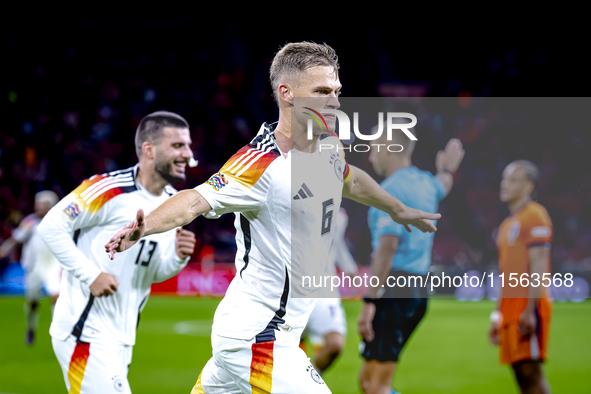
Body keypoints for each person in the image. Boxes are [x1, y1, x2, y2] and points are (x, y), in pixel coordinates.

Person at [105, 41, 441, 394]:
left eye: (337, 92)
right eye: (322, 91)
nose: (335, 102)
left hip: (272, 332)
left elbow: (351, 179)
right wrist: (144, 228)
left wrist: (396, 207)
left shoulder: (328, 148)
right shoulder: (260, 163)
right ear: (288, 94)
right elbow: (194, 201)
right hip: (256, 335)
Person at [37, 111, 197, 394]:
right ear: (149, 149)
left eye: (188, 145)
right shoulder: (109, 189)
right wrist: (91, 275)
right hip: (84, 331)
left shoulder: (173, 204)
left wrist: (177, 258)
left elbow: (152, 271)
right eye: (177, 146)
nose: (188, 154)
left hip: (122, 338)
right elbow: (51, 226)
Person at [358, 128, 464, 394]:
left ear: (388, 148)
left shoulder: (389, 190)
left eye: (373, 148)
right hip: (416, 290)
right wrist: (447, 170)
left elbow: (387, 248)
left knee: (376, 386)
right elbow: (444, 185)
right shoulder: (426, 182)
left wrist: (370, 301)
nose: (370, 157)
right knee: (368, 382)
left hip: (395, 288)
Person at [488, 160, 553, 394]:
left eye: (513, 180)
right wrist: (497, 314)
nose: (505, 185)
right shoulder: (506, 225)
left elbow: (538, 267)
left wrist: (529, 310)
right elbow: (505, 274)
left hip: (528, 307)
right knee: (520, 375)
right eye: (504, 179)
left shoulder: (535, 216)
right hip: (509, 308)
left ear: (528, 186)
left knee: (531, 374)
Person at [301, 207, 358, 374]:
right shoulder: (288, 201)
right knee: (289, 349)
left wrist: (349, 267)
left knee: (335, 345)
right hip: (292, 292)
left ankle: (312, 379)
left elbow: (336, 242)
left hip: (325, 290)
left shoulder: (339, 215)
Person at [0, 190, 61, 345]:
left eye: (43, 205)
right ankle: (31, 327)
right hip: (34, 267)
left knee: (56, 296)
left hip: (53, 265)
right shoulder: (30, 222)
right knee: (33, 301)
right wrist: (5, 249)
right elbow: (16, 237)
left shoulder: (59, 221)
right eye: (38, 204)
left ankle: (58, 331)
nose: (39, 208)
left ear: (51, 206)